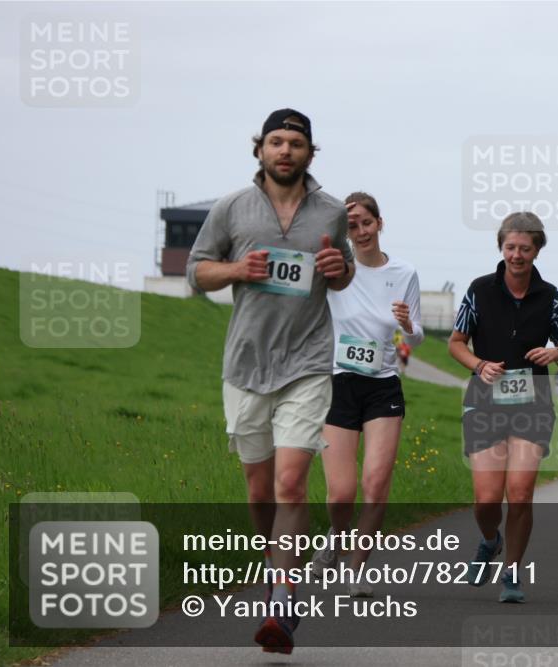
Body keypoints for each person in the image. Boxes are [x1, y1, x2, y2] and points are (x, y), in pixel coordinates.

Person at [186, 108, 355, 654]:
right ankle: (274, 565)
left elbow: (344, 270)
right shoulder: (232, 208)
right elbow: (196, 272)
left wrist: (339, 270)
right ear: (260, 149)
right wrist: (237, 270)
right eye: (276, 142)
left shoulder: (331, 211)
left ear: (310, 152)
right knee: (260, 491)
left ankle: (282, 601)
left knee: (289, 484)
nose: (286, 151)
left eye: (296, 143)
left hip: (307, 361)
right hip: (246, 365)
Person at [448, 212, 558, 603]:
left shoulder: (551, 296)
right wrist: (479, 365)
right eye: (510, 247)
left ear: (537, 250)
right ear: (501, 248)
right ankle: (490, 540)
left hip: (533, 405)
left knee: (519, 494)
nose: (517, 255)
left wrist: (556, 352)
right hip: (485, 402)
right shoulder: (479, 289)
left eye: (525, 248)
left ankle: (513, 574)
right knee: (487, 499)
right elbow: (456, 343)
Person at [310, 192, 423, 597]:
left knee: (376, 483)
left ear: (380, 223)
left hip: (383, 386)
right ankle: (336, 540)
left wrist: (408, 324)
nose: (360, 232)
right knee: (341, 493)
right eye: (352, 225)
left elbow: (418, 337)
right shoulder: (336, 272)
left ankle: (356, 569)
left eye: (366, 223)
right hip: (339, 384)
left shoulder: (405, 272)